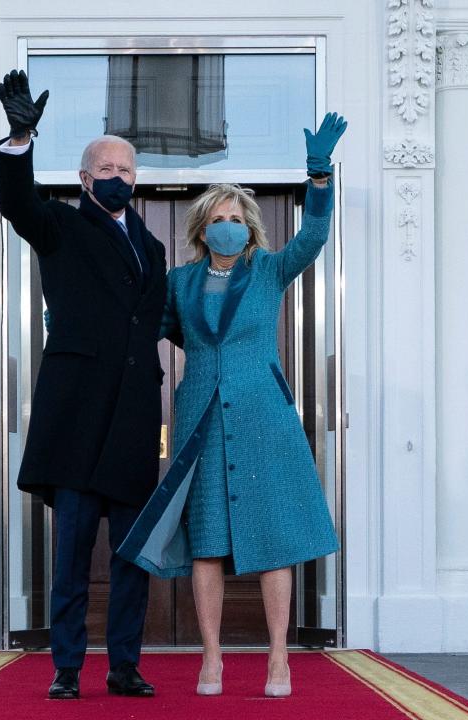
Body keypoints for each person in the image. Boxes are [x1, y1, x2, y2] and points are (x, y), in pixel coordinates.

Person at [118, 112, 347, 698]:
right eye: (217, 219)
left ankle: (277, 659)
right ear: (202, 229)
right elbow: (161, 328)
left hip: (263, 419)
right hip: (200, 420)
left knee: (272, 538)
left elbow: (314, 238)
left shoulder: (269, 270)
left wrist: (318, 179)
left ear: (249, 227)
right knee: (207, 542)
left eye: (235, 218)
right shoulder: (180, 281)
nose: (227, 226)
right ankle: (212, 659)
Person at [0, 69, 166, 700]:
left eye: (127, 167)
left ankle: (124, 665)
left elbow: (158, 319)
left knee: (131, 560)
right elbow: (17, 202)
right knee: (69, 561)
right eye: (106, 166)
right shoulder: (61, 226)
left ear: (135, 179)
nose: (118, 174)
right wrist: (20, 140)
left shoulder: (151, 245)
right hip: (75, 424)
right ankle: (67, 669)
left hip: (130, 426)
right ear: (85, 178)